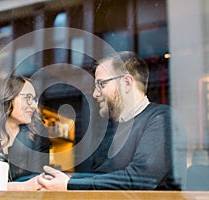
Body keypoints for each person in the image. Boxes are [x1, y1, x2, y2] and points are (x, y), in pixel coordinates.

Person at [37, 51, 186, 190]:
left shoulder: (162, 118)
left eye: (101, 84)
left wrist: (70, 184)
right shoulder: (110, 129)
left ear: (127, 83)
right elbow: (98, 178)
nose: (95, 94)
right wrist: (60, 180)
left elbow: (141, 178)